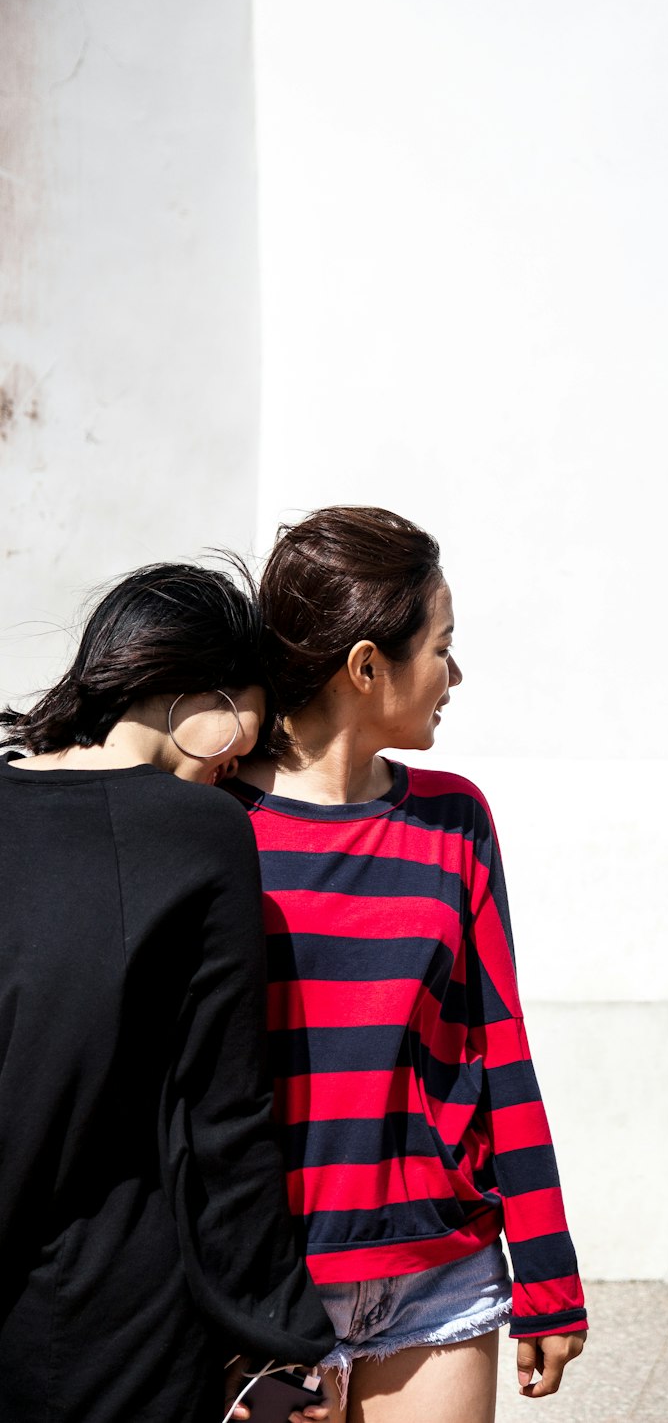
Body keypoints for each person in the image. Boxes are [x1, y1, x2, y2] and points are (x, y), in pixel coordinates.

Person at [229, 507, 587, 1423]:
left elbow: (497, 1043)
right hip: (262, 1287)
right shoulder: (216, 828)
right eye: (442, 646)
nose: (454, 674)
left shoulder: (454, 818)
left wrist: (546, 1267)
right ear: (365, 667)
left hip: (444, 1272)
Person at [0, 563, 335, 1423]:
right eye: (255, 714)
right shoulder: (201, 832)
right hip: (118, 1309)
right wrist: (287, 1333)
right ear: (200, 690)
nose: (253, 756)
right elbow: (224, 1112)